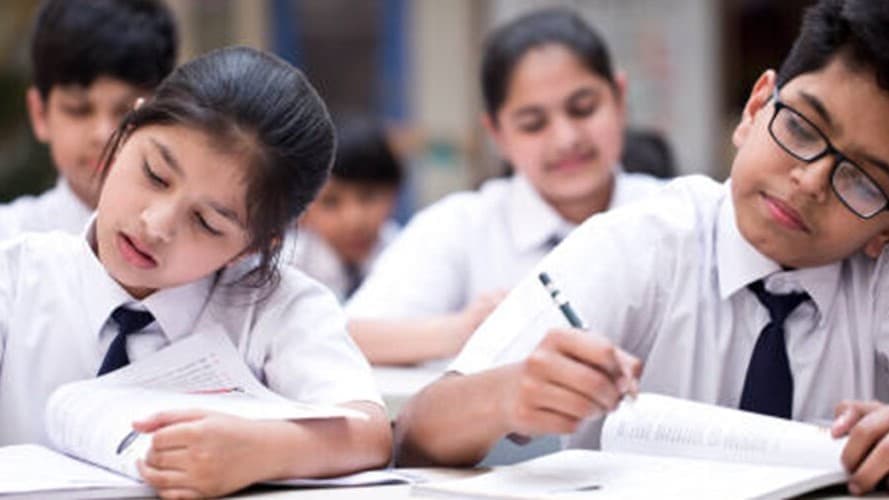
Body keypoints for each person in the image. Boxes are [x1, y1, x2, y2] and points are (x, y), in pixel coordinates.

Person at [395, 0, 889, 494]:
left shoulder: (877, 281)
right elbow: (417, 434)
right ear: (755, 108)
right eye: (801, 129)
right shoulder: (640, 244)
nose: (810, 182)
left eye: (864, 180)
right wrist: (508, 395)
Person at [0, 46, 391, 498]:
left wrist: (262, 449)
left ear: (256, 246)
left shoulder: (272, 307)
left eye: (206, 223)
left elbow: (369, 432)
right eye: (155, 174)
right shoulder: (16, 278)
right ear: (130, 129)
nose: (156, 225)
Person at [346, 8, 664, 365]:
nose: (566, 139)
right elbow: (346, 337)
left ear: (619, 98)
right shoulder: (461, 226)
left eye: (583, 108)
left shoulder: (673, 216)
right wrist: (465, 331)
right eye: (533, 124)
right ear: (496, 133)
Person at [0, 0, 177, 239]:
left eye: (127, 111)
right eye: (78, 109)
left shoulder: (209, 257)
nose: (104, 134)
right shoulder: (9, 241)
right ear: (40, 114)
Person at [286, 117, 403, 302]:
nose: (354, 220)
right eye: (330, 202)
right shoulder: (283, 269)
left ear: (394, 194)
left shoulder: (408, 255)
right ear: (301, 206)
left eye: (369, 196)